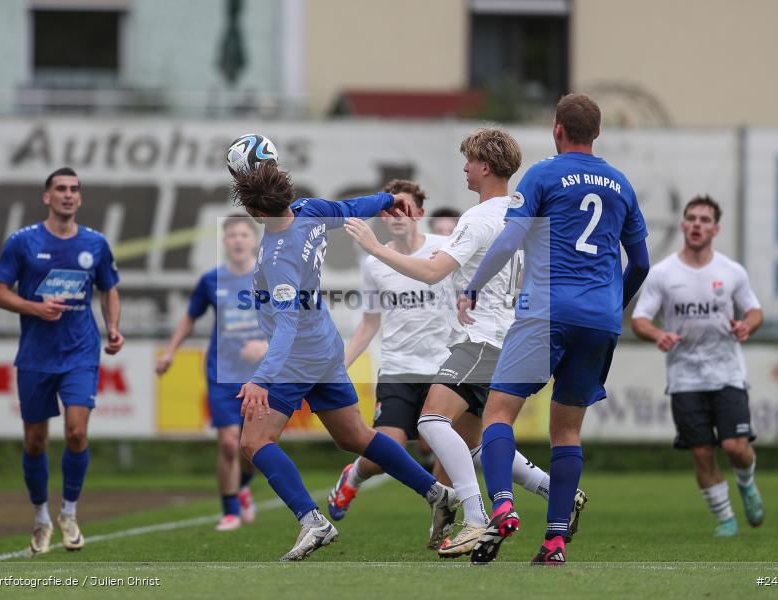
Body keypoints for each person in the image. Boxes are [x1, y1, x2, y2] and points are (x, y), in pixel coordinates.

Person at [343, 128, 564, 558]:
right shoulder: (525, 214)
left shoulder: (478, 218)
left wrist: (374, 246)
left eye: (469, 160)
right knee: (477, 443)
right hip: (514, 338)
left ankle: (476, 518)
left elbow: (431, 273)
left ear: (485, 166)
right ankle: (558, 491)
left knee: (430, 422)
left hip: (483, 339)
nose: (464, 168)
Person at [231, 161, 459, 562]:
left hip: (296, 359)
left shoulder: (279, 257)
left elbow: (286, 325)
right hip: (324, 347)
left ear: (255, 211)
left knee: (254, 441)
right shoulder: (309, 210)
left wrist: (262, 379)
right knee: (354, 436)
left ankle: (313, 521)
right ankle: (437, 493)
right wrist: (387, 199)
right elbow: (352, 207)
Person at [459, 93, 650, 565]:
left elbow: (510, 239)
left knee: (498, 413)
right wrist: (613, 305)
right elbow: (642, 263)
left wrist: (473, 287)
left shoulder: (543, 174)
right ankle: (555, 542)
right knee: (566, 432)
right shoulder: (621, 184)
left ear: (557, 130)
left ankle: (502, 505)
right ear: (597, 133)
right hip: (600, 320)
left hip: (546, 312)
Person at [0, 167, 124, 555]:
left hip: (80, 352)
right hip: (36, 355)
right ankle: (41, 518)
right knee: (35, 441)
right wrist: (35, 307)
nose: (68, 194)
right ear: (47, 197)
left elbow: (109, 288)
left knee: (76, 433)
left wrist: (113, 327)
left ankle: (69, 512)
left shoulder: (95, 243)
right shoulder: (23, 242)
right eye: (60, 189)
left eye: (74, 189)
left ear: (79, 198)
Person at [326, 179, 453, 540]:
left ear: (420, 214)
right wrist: (339, 366)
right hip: (398, 368)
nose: (397, 216)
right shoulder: (374, 263)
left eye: (405, 209)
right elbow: (369, 323)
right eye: (390, 211)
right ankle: (353, 476)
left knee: (447, 449)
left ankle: (442, 526)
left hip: (443, 368)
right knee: (387, 450)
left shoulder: (443, 249)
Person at [631, 195, 764, 538]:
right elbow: (640, 319)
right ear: (683, 224)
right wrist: (658, 334)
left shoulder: (731, 271)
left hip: (727, 372)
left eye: (704, 220)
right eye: (691, 218)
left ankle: (747, 483)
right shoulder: (663, 274)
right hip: (685, 377)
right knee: (702, 453)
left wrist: (747, 325)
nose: (696, 225)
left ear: (715, 229)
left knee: (735, 447)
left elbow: (754, 310)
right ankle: (726, 519)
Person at [156, 214, 267, 531]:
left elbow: (290, 321)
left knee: (252, 447)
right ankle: (230, 511)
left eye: (243, 235)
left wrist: (266, 345)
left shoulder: (268, 278)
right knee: (229, 443)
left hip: (260, 376)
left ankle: (242, 486)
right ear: (225, 241)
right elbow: (190, 317)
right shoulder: (211, 280)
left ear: (254, 241)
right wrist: (170, 352)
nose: (238, 240)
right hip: (222, 373)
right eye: (232, 235)